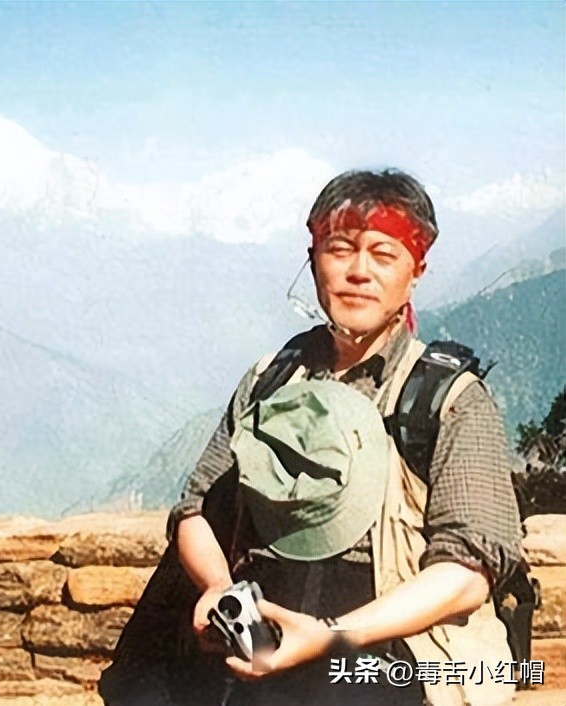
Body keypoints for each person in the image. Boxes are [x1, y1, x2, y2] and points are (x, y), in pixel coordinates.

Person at [99, 169, 524, 706]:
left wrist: (328, 637)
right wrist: (217, 587)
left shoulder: (449, 400)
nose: (359, 272)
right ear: (313, 258)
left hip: (389, 654)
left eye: (384, 255)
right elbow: (196, 508)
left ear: (416, 270)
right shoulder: (271, 380)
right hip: (260, 639)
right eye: (340, 249)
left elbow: (468, 571)